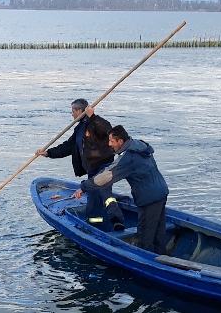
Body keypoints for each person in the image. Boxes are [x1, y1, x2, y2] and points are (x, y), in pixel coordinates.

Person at [73, 125, 169, 254]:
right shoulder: (140, 145)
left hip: (149, 198)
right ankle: (161, 257)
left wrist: (83, 187)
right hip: (161, 192)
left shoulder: (128, 158)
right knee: (159, 233)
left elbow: (105, 177)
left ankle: (148, 265)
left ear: (121, 141)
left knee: (145, 238)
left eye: (112, 141)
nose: (109, 144)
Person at [36, 99, 124, 231]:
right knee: (93, 198)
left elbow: (106, 128)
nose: (72, 115)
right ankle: (96, 225)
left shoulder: (95, 123)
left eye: (73, 111)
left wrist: (92, 116)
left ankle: (116, 220)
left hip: (104, 166)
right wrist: (48, 153)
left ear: (79, 111)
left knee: (104, 191)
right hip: (92, 169)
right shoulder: (79, 128)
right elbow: (68, 147)